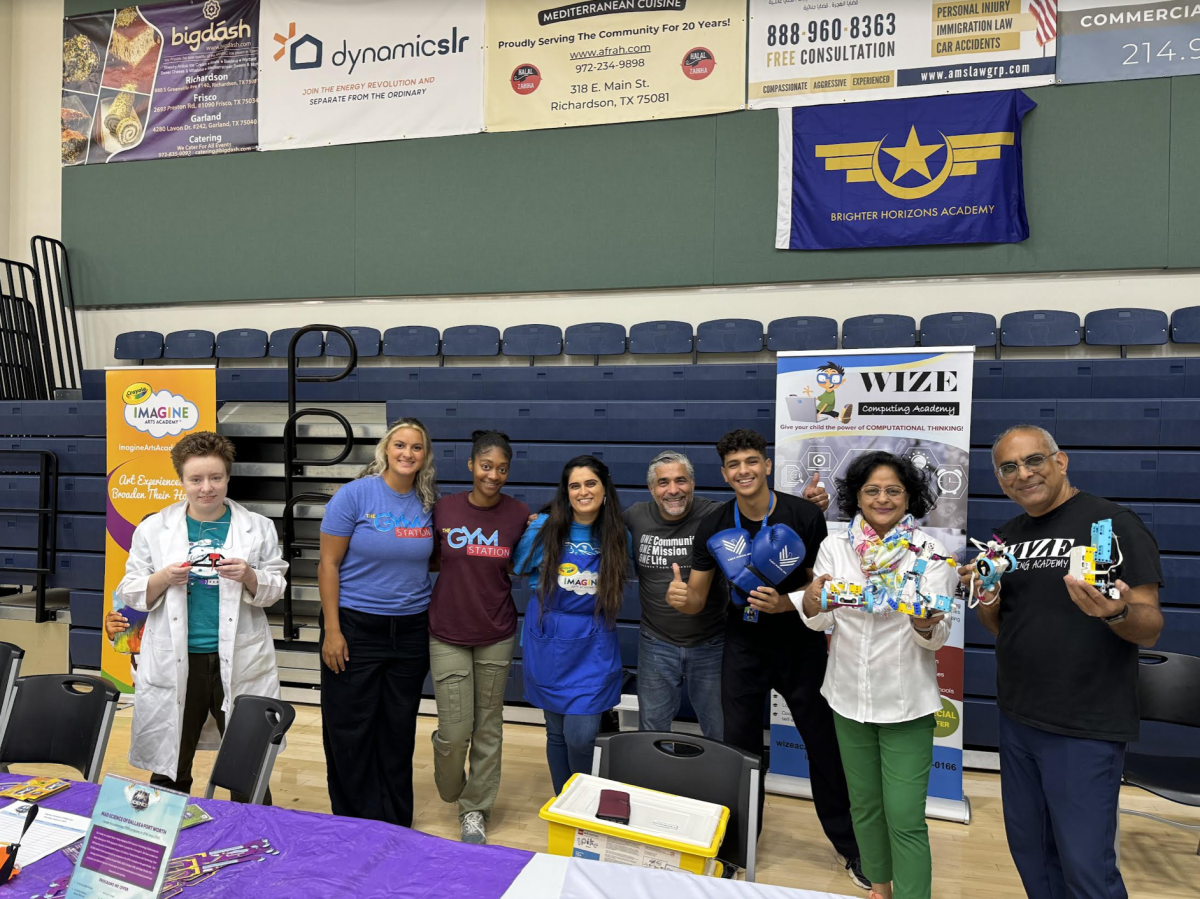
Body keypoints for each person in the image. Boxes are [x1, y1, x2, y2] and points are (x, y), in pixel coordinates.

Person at [963, 424, 1162, 899]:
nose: (1023, 474)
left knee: (1086, 867)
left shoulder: (1112, 523)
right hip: (1017, 717)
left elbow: (1150, 624)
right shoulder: (1006, 536)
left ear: (1061, 461)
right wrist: (986, 591)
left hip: (1084, 724)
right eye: (1009, 467)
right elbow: (1001, 624)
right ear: (999, 477)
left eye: (1034, 460)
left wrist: (1115, 612)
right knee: (1032, 854)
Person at [669, 429, 868, 890]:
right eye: (734, 465)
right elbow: (697, 600)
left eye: (751, 461)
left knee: (825, 748)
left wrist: (785, 603)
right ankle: (737, 849)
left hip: (800, 645)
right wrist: (682, 599)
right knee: (740, 752)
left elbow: (824, 587)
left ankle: (852, 847)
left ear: (767, 465)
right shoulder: (715, 523)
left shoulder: (802, 514)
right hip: (742, 648)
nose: (744, 471)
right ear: (724, 474)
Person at [796, 452, 956, 899]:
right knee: (864, 807)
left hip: (907, 702)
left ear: (910, 497)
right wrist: (812, 601)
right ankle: (880, 888)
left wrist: (924, 621)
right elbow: (819, 620)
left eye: (893, 490)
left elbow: (936, 636)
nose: (882, 499)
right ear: (857, 496)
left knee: (904, 816)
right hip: (847, 698)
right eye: (872, 490)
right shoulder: (835, 547)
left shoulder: (932, 553)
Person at [115, 431, 287, 802]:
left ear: (228, 477)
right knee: (170, 760)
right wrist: (162, 578)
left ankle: (253, 835)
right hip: (177, 661)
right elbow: (129, 591)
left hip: (240, 658)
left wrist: (250, 576)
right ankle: (163, 837)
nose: (206, 488)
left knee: (249, 760)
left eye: (216, 478)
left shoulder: (257, 528)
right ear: (181, 481)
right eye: (196, 479)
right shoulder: (154, 529)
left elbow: (275, 589)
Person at [626, 452, 830, 738]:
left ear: (694, 484)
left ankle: (716, 783)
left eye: (681, 480)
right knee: (651, 730)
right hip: (656, 644)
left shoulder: (717, 516)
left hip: (712, 642)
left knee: (722, 734)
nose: (673, 490)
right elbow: (594, 521)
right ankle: (653, 784)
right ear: (651, 489)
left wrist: (808, 505)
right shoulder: (635, 516)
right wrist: (541, 519)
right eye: (663, 483)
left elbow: (759, 507)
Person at [319, 417, 437, 826]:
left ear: (425, 456)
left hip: (409, 631)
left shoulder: (426, 502)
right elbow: (328, 564)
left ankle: (394, 818)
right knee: (350, 728)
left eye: (416, 447)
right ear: (386, 449)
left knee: (397, 728)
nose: (407, 454)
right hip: (355, 626)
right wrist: (332, 631)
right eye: (400, 445)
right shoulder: (355, 495)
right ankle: (355, 819)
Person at [428, 430, 530, 845]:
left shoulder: (518, 514)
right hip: (447, 631)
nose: (493, 475)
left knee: (488, 726)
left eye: (501, 468)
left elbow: (529, 561)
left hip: (496, 631)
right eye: (486, 466)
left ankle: (475, 811)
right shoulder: (443, 509)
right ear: (471, 466)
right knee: (455, 730)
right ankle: (454, 789)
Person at [513, 455, 631, 794]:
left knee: (581, 735)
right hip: (549, 639)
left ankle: (583, 802)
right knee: (556, 732)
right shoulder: (544, 528)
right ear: (565, 493)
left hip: (593, 643)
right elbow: (515, 566)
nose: (583, 491)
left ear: (605, 489)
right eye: (574, 485)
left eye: (590, 483)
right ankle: (564, 806)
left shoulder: (618, 534)